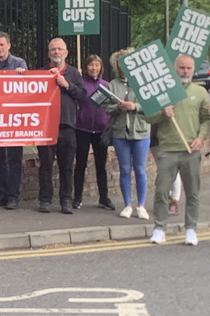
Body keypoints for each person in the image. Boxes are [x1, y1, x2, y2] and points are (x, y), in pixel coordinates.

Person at [146, 54, 210, 245]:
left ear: (193, 70)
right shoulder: (164, 92)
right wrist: (162, 113)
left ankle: (191, 229)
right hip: (167, 149)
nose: (185, 71)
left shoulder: (200, 92)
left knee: (192, 192)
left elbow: (207, 119)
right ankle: (159, 228)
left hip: (191, 150)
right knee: (161, 191)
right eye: (181, 68)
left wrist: (201, 137)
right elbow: (148, 116)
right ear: (174, 70)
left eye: (188, 68)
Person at [37, 38, 86, 214]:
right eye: (53, 49)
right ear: (49, 53)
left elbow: (82, 95)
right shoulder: (41, 72)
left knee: (66, 166)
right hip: (45, 127)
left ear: (66, 52)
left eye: (59, 49)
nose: (56, 52)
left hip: (67, 125)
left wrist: (67, 85)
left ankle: (66, 200)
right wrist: (21, 73)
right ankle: (45, 199)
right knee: (46, 165)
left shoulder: (74, 73)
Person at [104, 47, 151, 220]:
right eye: (120, 63)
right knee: (124, 169)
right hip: (120, 132)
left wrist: (135, 106)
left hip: (141, 131)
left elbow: (152, 106)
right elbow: (106, 108)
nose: (123, 66)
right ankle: (127, 205)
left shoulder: (143, 83)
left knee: (140, 169)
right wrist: (118, 107)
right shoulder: (112, 85)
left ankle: (141, 205)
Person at [0, 32, 27, 210]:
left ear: (9, 46)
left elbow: (28, 88)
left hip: (14, 119)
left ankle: (13, 196)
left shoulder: (19, 64)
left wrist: (23, 75)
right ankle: (1, 194)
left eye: (2, 45)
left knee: (14, 158)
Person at [73, 54, 115, 211]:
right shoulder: (81, 84)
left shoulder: (106, 86)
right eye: (91, 65)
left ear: (101, 67)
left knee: (101, 165)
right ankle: (77, 197)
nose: (94, 68)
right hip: (82, 129)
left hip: (100, 130)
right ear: (86, 67)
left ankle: (104, 198)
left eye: (97, 65)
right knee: (80, 164)